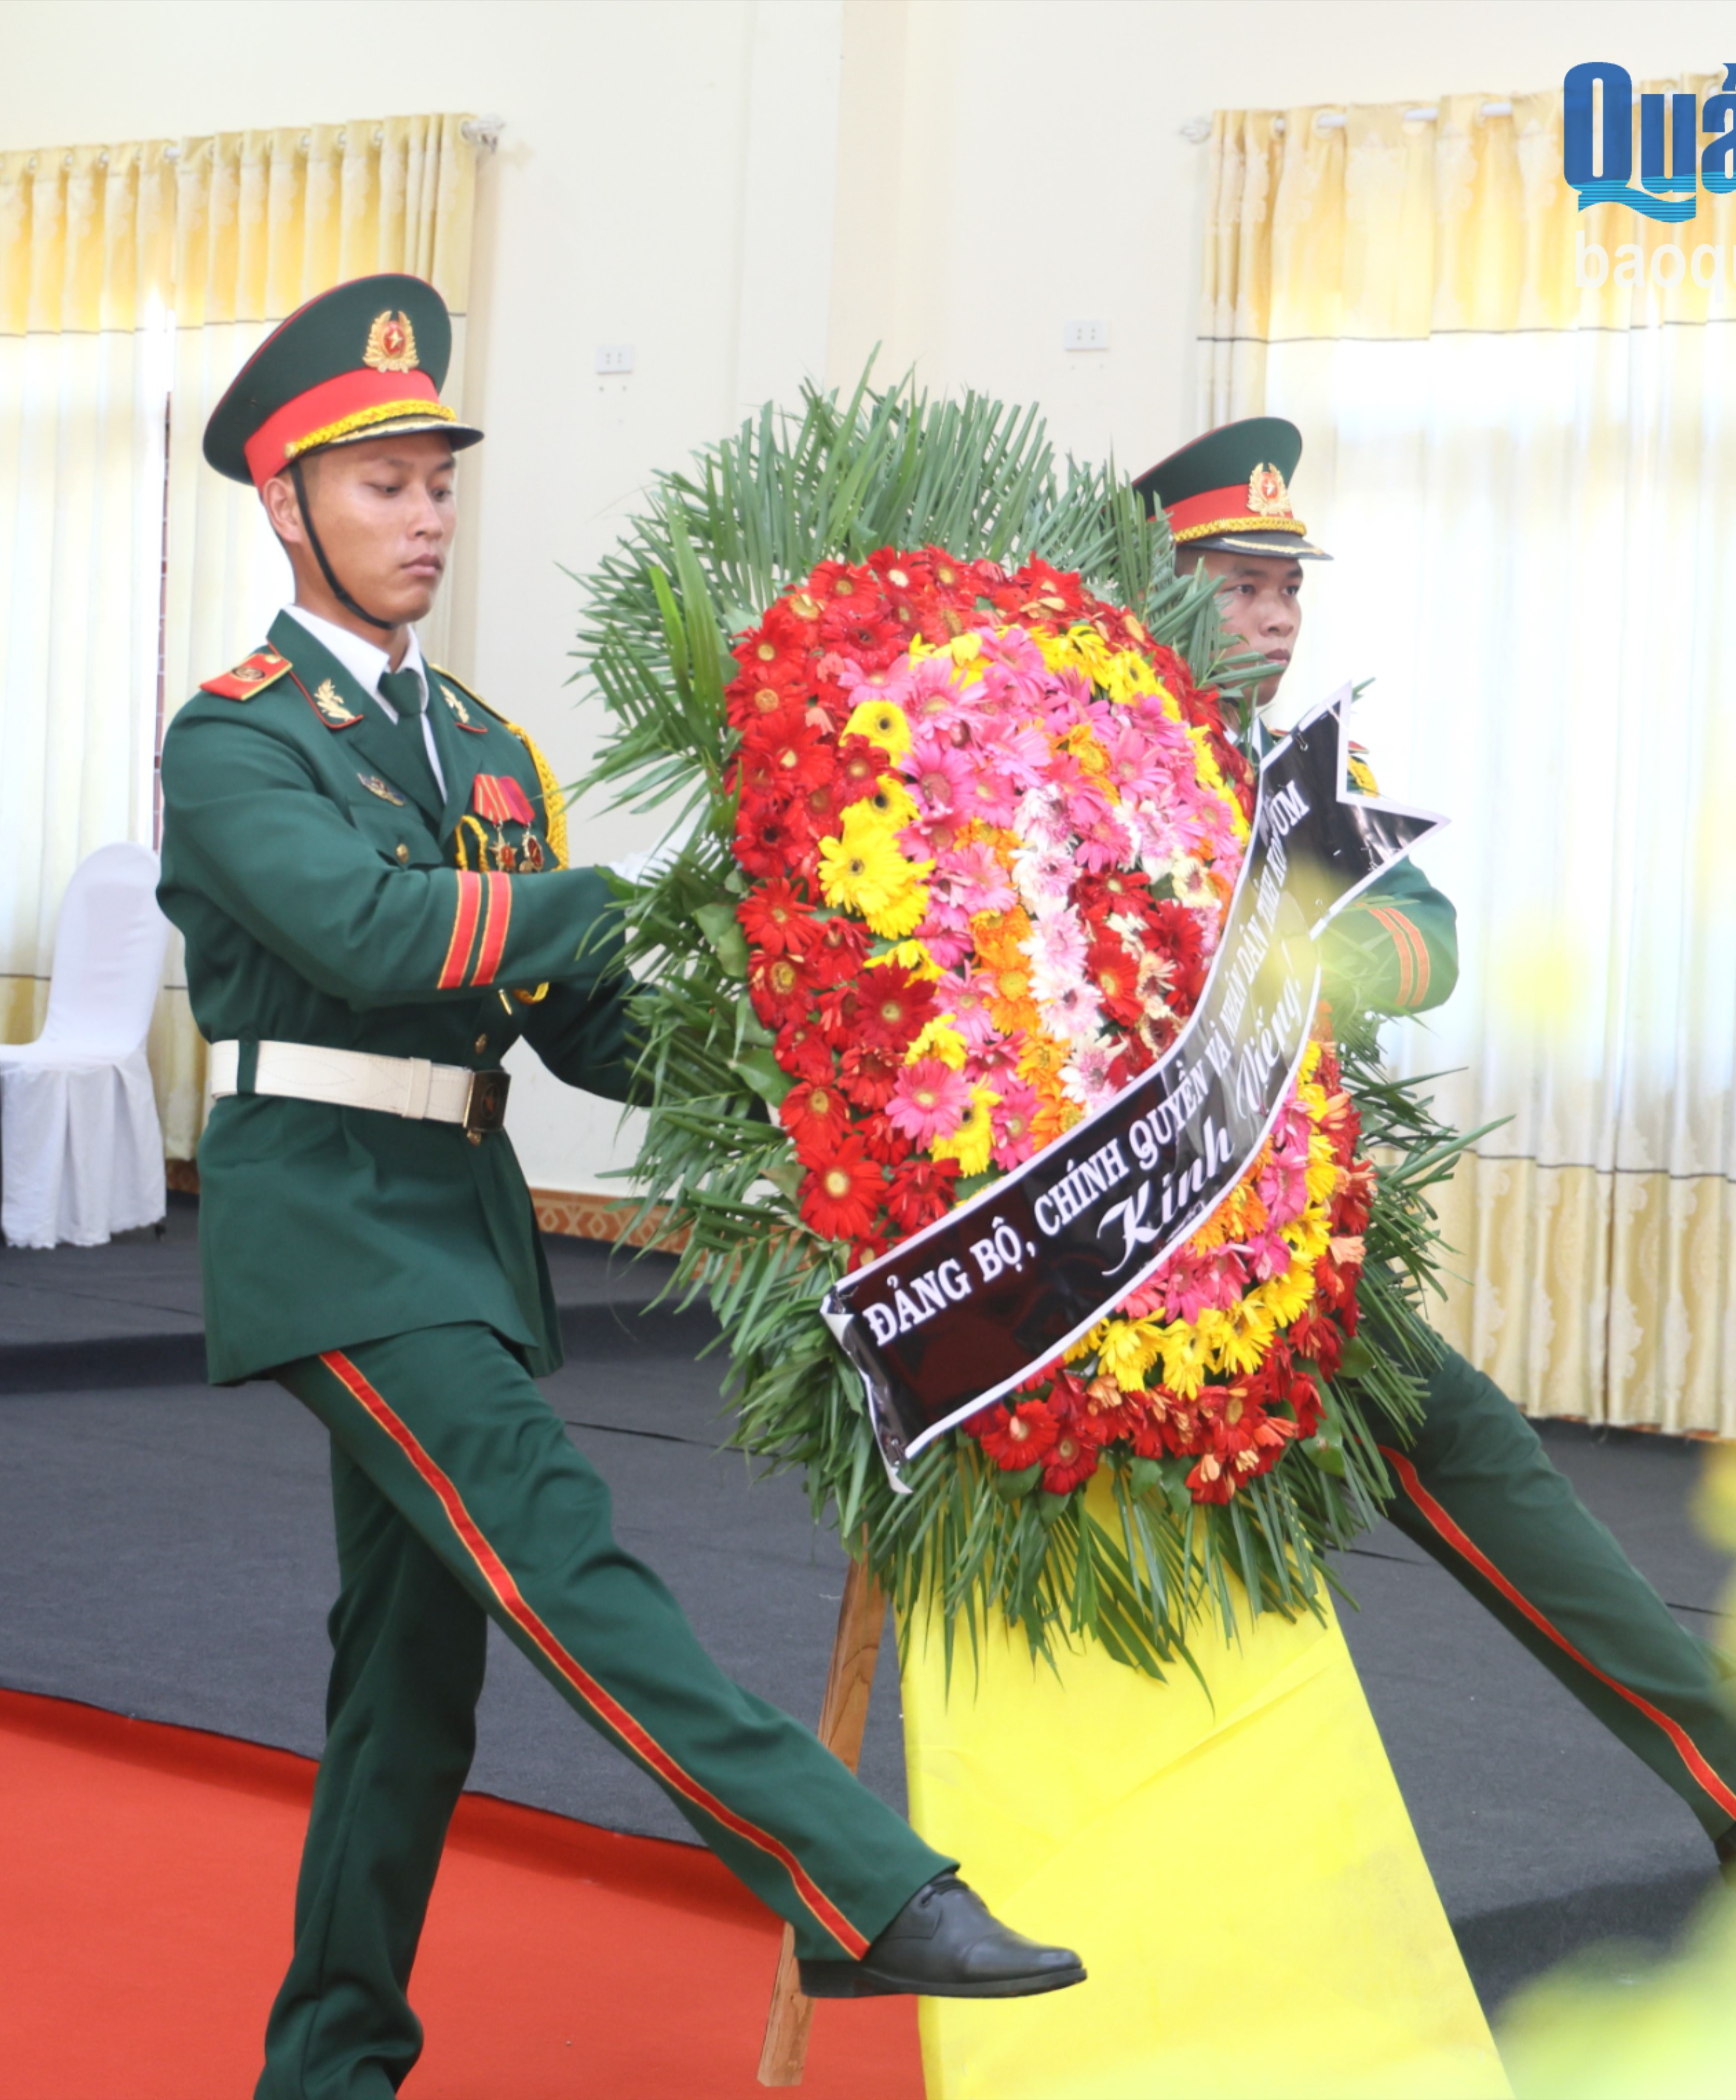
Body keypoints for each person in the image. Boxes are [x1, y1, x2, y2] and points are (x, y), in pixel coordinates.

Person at [158, 278, 1079, 2099]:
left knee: (408, 1685)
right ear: (285, 505)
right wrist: (647, 881)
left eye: (437, 484)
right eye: (381, 487)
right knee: (559, 1550)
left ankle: (326, 2068)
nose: (423, 518)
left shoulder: (490, 748)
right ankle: (851, 1880)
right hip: (332, 1226)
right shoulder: (238, 736)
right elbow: (370, 932)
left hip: (455, 1224)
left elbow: (584, 1026)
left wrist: (824, 1089)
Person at [1131, 418, 1736, 1867]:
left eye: (1288, 590)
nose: (1275, 618)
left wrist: (1302, 963)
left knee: (1471, 1448)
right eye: (1237, 588)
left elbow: (1428, 938)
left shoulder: (1299, 770)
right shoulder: (1105, 766)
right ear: (1159, 591)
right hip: (1139, 1259)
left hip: (1265, 1241)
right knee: (1447, 1458)